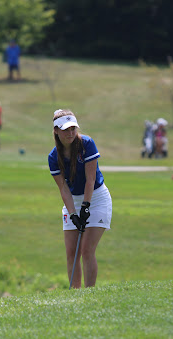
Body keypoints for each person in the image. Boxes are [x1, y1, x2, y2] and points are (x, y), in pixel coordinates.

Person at [48, 109, 112, 289]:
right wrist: (73, 213)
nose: (70, 133)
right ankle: (74, 295)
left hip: (97, 198)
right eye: (65, 129)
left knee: (86, 250)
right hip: (73, 202)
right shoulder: (53, 157)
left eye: (73, 129)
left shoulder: (87, 144)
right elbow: (63, 188)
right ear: (56, 131)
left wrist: (86, 206)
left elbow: (90, 180)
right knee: (71, 253)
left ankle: (89, 293)